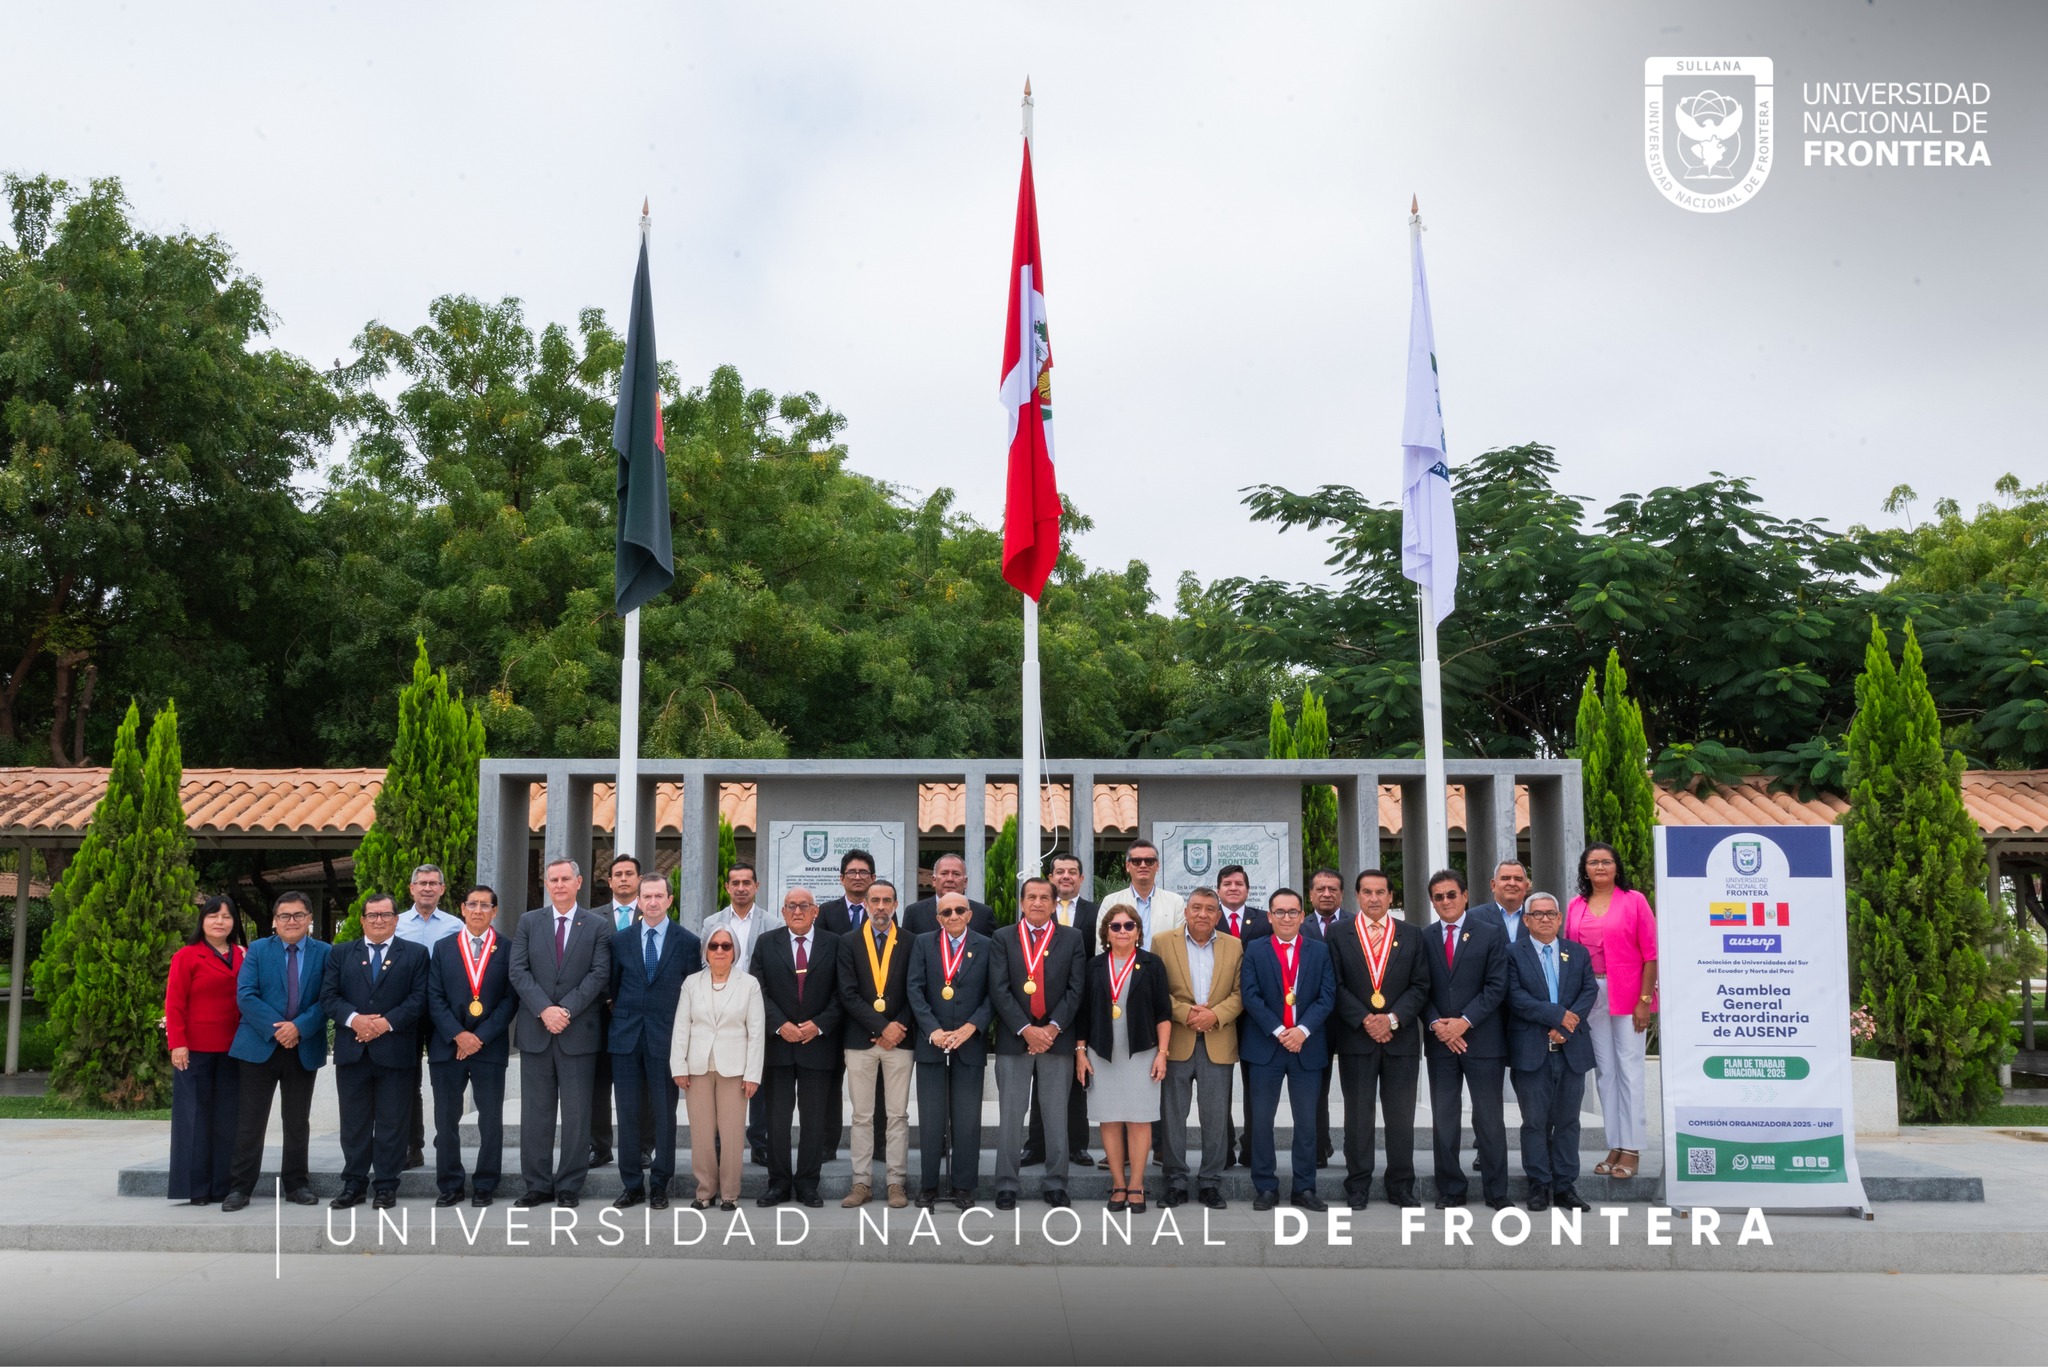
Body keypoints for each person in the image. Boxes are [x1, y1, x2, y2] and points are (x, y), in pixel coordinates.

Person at [507, 858, 613, 1207]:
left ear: (579, 882)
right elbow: (518, 971)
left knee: (577, 1114)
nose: (559, 884)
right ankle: (536, 1184)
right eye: (553, 879)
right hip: (537, 1032)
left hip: (578, 1032)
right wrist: (544, 1010)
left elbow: (599, 974)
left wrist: (565, 1010)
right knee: (535, 1114)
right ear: (547, 883)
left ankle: (568, 1185)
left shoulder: (597, 925)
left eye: (566, 878)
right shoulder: (528, 922)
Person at [321, 892, 431, 1209]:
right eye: (372, 915)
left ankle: (386, 1185)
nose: (378, 920)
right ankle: (353, 1184)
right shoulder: (340, 954)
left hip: (396, 1052)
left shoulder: (415, 954)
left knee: (392, 1123)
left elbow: (419, 998)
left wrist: (387, 1023)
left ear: (396, 919)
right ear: (362, 920)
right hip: (353, 1052)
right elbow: (329, 997)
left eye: (385, 915)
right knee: (354, 1123)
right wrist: (355, 1020)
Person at [221, 892, 329, 1213]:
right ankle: (240, 1188)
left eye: (298, 915)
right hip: (259, 1046)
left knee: (297, 1121)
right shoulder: (257, 950)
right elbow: (246, 996)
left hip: (303, 1046)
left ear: (309, 919)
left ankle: (297, 1185)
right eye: (284, 916)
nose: (291, 921)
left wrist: (299, 1028)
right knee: (250, 1122)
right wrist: (279, 1029)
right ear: (274, 920)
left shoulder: (325, 953)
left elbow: (327, 999)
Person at [1328, 868, 1428, 1209]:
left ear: (1390, 897)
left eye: (1380, 892)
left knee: (1401, 1117)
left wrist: (1392, 1019)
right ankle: (1357, 1185)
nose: (1373, 898)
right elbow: (1335, 984)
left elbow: (1420, 985)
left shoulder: (1412, 934)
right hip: (1357, 1038)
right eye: (1367, 892)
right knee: (1358, 1117)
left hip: (1400, 1041)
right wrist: (1365, 1020)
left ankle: (1401, 1185)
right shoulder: (1339, 933)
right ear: (1357, 896)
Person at [991, 877, 1086, 1210]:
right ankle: (1005, 1184)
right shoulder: (1003, 937)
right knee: (1011, 1118)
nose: (1037, 903)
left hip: (1056, 1042)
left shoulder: (1072, 938)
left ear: (1053, 902)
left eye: (1045, 897)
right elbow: (998, 989)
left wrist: (1051, 1029)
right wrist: (1026, 1029)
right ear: (1021, 902)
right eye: (1031, 897)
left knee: (1056, 1117)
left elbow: (1077, 989)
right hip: (1014, 1040)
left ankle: (1056, 1184)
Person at [1238, 888, 1336, 1212]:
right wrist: (1281, 1031)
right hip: (1266, 1047)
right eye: (1279, 912)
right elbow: (1250, 996)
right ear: (1269, 916)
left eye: (1293, 912)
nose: (1286, 918)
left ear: (1302, 915)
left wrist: (1302, 1031)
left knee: (1307, 1123)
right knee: (1261, 1122)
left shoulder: (1319, 951)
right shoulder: (1255, 949)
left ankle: (1304, 1189)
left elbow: (1327, 996)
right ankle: (1265, 1187)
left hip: (1306, 1048)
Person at [1567, 842, 1659, 1183]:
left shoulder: (1634, 901)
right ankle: (1615, 1144)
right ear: (1585, 869)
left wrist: (1645, 1000)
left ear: (1616, 867)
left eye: (1606, 861)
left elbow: (1650, 954)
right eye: (1593, 862)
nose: (1600, 867)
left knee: (1631, 1069)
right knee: (1605, 1072)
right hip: (1591, 994)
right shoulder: (1575, 905)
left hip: (1629, 993)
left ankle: (1632, 1147)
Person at [607, 873, 700, 1210]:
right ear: (639, 900)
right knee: (628, 1114)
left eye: (659, 896)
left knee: (664, 1115)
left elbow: (692, 996)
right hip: (626, 1039)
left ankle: (660, 1184)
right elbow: (613, 989)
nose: (652, 902)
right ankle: (631, 1185)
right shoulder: (621, 940)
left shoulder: (688, 942)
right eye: (646, 896)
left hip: (667, 1040)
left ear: (669, 900)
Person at [1421, 868, 1512, 1210]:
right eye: (1439, 896)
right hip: (1440, 1042)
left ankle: (1496, 1191)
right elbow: (1420, 988)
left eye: (1451, 894)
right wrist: (1438, 1025)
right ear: (1432, 901)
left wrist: (1464, 1022)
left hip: (1483, 1041)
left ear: (1465, 896)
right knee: (1444, 1118)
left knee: (1488, 1118)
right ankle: (1450, 1189)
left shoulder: (1490, 934)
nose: (1446, 901)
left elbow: (1496, 986)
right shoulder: (1425, 937)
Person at [1076, 902, 1172, 1213]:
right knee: (1110, 1118)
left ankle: (1137, 1184)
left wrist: (1163, 1053)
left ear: (1138, 931)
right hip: (1102, 1052)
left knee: (1139, 1119)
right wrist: (1080, 1052)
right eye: (1115, 926)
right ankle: (1118, 1183)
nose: (1122, 931)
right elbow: (1083, 1015)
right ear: (1105, 932)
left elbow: (1163, 1013)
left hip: (1142, 1052)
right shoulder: (1093, 966)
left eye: (1128, 926)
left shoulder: (1152, 964)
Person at [425, 884, 517, 1207]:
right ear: (462, 909)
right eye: (472, 904)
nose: (478, 910)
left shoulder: (507, 949)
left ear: (495, 911)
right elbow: (433, 998)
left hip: (488, 1048)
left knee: (490, 1119)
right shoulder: (442, 948)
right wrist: (458, 1035)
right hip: (446, 1046)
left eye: (485, 905)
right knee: (445, 1120)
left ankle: (485, 1184)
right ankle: (449, 1184)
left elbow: (510, 1000)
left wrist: (479, 1038)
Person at [751, 887, 843, 1208]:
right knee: (776, 1120)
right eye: (791, 906)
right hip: (778, 1045)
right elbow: (757, 990)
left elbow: (842, 993)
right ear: (783, 910)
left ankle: (807, 1184)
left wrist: (818, 1024)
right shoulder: (766, 943)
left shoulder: (834, 944)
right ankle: (777, 1183)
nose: (798, 911)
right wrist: (780, 1024)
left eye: (804, 905)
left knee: (813, 1120)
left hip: (818, 1045)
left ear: (816, 911)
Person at [1506, 892, 1596, 1212]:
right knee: (1535, 1122)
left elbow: (1589, 990)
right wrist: (1557, 1016)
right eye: (1537, 914)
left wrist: (1567, 1025)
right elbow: (1514, 997)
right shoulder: (1512, 953)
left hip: (1571, 1050)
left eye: (1550, 914)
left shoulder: (1577, 952)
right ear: (1526, 920)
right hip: (1532, 1050)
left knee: (1568, 1121)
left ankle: (1565, 1186)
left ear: (1560, 919)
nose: (1544, 919)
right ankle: (1539, 1184)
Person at [1154, 886, 1242, 1209]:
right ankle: (1175, 1181)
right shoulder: (1163, 942)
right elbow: (1157, 990)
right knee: (1173, 1116)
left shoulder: (1234, 945)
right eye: (1196, 908)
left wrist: (1214, 1016)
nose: (1202, 914)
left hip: (1218, 1041)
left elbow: (1240, 992)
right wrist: (1187, 1013)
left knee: (1216, 1117)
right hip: (1176, 1040)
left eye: (1209, 909)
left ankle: (1210, 1183)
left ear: (1218, 915)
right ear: (1186, 911)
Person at [907, 893, 993, 1209]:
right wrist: (933, 1030)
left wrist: (971, 1028)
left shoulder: (986, 945)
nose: (953, 915)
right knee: (931, 1119)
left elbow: (993, 994)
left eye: (959, 910)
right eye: (946, 911)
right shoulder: (923, 943)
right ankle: (929, 1185)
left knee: (968, 1120)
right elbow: (914, 989)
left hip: (970, 1044)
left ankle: (964, 1187)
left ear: (969, 914)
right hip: (933, 1044)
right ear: (938, 917)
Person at [670, 927, 764, 1211]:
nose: (720, 951)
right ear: (705, 951)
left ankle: (730, 1194)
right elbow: (681, 1026)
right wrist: (679, 1065)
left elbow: (756, 1032)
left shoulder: (749, 984)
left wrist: (752, 1074)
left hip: (735, 1069)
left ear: (734, 950)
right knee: (700, 1133)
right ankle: (705, 1191)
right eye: (713, 946)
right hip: (697, 1067)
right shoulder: (691, 983)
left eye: (726, 946)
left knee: (733, 1133)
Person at [836, 878, 913, 1209]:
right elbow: (847, 993)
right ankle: (861, 1183)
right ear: (865, 904)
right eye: (875, 901)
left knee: (897, 1114)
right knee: (861, 1116)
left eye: (887, 901)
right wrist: (881, 1027)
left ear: (896, 905)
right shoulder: (848, 942)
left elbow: (916, 990)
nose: (881, 907)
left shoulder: (910, 942)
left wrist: (896, 1029)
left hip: (901, 1040)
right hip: (860, 1040)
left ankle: (896, 1182)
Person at [165, 896, 245, 1205]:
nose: (220, 922)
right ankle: (194, 1188)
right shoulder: (186, 956)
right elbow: (174, 1002)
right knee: (194, 1117)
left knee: (228, 1118)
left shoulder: (242, 954)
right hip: (194, 1049)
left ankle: (222, 1186)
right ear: (202, 921)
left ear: (234, 923)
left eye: (227, 916)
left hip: (233, 1049)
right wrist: (178, 1043)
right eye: (213, 916)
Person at [702, 860, 780, 1165]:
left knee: (756, 1077)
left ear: (757, 886)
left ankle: (759, 1141)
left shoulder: (773, 923)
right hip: (722, 1012)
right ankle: (721, 1140)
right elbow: (705, 964)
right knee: (722, 1075)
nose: (741, 888)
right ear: (727, 887)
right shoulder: (712, 923)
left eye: (747, 882)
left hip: (758, 1009)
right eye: (735, 882)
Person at [1026, 852, 1097, 1168]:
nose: (1065, 876)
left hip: (1081, 1003)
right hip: (1040, 1013)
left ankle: (1078, 1145)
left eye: (1072, 872)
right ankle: (1036, 1145)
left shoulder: (1095, 913)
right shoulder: (1038, 913)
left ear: (1082, 878)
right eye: (1059, 872)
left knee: (1077, 1077)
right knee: (1042, 1081)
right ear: (1051, 878)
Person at [392, 863, 462, 1172]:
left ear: (442, 889)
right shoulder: (396, 923)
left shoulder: (455, 925)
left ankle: (445, 1144)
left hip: (441, 1013)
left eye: (434, 883)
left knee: (443, 1081)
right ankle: (412, 1146)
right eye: (421, 883)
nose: (427, 888)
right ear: (411, 888)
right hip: (405, 1010)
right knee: (407, 1081)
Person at [589, 851, 649, 1171]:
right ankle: (598, 1146)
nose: (624, 878)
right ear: (609, 881)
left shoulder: (652, 911)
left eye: (630, 873)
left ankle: (641, 1146)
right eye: (618, 874)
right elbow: (585, 965)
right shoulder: (592, 917)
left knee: (639, 1084)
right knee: (599, 1083)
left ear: (639, 879)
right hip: (599, 1013)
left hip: (639, 1016)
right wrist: (608, 998)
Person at [1215, 863, 1268, 1167]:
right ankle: (1222, 1150)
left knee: (1254, 1087)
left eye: (1239, 883)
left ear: (1248, 889)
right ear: (1219, 889)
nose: (1233, 888)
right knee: (1219, 1089)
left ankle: (1251, 1148)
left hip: (1255, 1018)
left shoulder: (1262, 920)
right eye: (1227, 883)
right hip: (1219, 1014)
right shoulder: (1208, 916)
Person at [1302, 867, 1348, 1165]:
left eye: (1332, 889)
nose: (1327, 893)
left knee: (1355, 1088)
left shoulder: (1357, 924)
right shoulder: (1298, 924)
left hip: (1350, 1021)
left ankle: (1355, 1150)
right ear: (1310, 894)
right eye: (1320, 888)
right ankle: (1319, 1148)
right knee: (1316, 1089)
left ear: (1342, 894)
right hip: (1313, 1021)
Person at [1098, 841, 1184, 950]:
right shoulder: (1110, 902)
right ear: (1128, 866)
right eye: (1136, 861)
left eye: (1149, 861)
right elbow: (1102, 944)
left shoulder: (1175, 902)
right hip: (1123, 966)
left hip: (1162, 966)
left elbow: (1179, 944)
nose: (1143, 865)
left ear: (1157, 866)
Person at [902, 852, 996, 937]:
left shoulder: (983, 914)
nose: (950, 879)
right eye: (944, 873)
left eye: (956, 874)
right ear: (934, 880)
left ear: (965, 882)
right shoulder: (914, 913)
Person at [1470, 858, 1534, 947]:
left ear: (1526, 886)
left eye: (1518, 879)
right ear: (1493, 885)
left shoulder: (1537, 917)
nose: (1512, 883)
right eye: (1505, 878)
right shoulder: (1474, 917)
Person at [816, 848, 878, 935]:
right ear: (842, 878)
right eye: (851, 872)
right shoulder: (826, 911)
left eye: (863, 872)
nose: (857, 877)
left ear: (873, 878)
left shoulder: (882, 910)